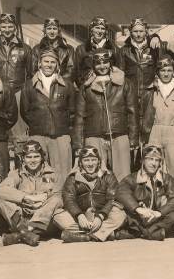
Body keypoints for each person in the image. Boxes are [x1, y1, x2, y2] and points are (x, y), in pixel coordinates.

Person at [72, 48, 139, 181]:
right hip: (94, 134)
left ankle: (121, 200)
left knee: (123, 175)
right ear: (93, 65)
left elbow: (133, 111)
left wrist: (133, 138)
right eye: (98, 63)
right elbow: (79, 116)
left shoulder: (124, 83)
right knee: (96, 174)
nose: (102, 66)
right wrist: (78, 144)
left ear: (111, 63)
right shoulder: (86, 87)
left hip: (119, 134)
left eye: (105, 62)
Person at [20, 48, 76, 184]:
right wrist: (38, 125)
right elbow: (25, 111)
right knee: (39, 171)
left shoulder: (66, 85)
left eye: (52, 62)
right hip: (38, 135)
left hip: (60, 135)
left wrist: (63, 127)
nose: (49, 65)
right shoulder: (28, 86)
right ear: (39, 63)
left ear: (57, 65)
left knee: (62, 171)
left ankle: (63, 199)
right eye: (46, 61)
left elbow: (73, 111)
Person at [54, 145, 126, 242]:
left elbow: (112, 199)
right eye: (86, 160)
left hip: (103, 216)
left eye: (93, 160)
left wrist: (101, 216)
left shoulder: (108, 176)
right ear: (80, 163)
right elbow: (68, 199)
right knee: (57, 215)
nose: (90, 164)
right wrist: (79, 215)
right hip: (81, 217)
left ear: (99, 162)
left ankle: (85, 236)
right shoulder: (72, 178)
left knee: (120, 213)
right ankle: (104, 234)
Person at [0, 141, 62, 247]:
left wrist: (40, 205)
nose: (32, 160)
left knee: (56, 201)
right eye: (29, 157)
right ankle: (25, 231)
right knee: (1, 200)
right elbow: (2, 189)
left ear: (42, 157)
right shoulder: (16, 174)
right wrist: (27, 197)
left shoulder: (53, 174)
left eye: (36, 156)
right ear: (23, 159)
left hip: (44, 217)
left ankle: (22, 234)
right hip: (22, 217)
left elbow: (58, 197)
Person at [0, 13, 33, 157]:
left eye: (10, 26)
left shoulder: (25, 48)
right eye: (4, 26)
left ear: (15, 28)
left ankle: (21, 166)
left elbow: (31, 74)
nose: (7, 29)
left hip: (18, 92)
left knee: (20, 135)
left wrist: (25, 93)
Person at [115, 145, 174, 240]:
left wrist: (159, 212)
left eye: (157, 160)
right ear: (142, 161)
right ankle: (152, 233)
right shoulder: (132, 178)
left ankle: (142, 233)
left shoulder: (166, 179)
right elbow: (121, 192)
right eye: (150, 159)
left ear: (160, 163)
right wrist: (138, 209)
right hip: (138, 218)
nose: (153, 163)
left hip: (157, 218)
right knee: (123, 215)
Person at [116, 17, 161, 105]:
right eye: (135, 31)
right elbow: (120, 74)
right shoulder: (123, 50)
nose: (138, 34)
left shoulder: (153, 47)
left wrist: (156, 36)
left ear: (146, 31)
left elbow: (159, 67)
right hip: (131, 95)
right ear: (131, 32)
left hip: (150, 93)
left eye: (141, 31)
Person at [73, 17, 118, 88]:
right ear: (91, 29)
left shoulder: (114, 49)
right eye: (97, 27)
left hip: (108, 88)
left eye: (103, 29)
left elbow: (118, 70)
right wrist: (83, 86)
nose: (100, 31)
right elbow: (77, 72)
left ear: (106, 31)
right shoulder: (81, 49)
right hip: (88, 87)